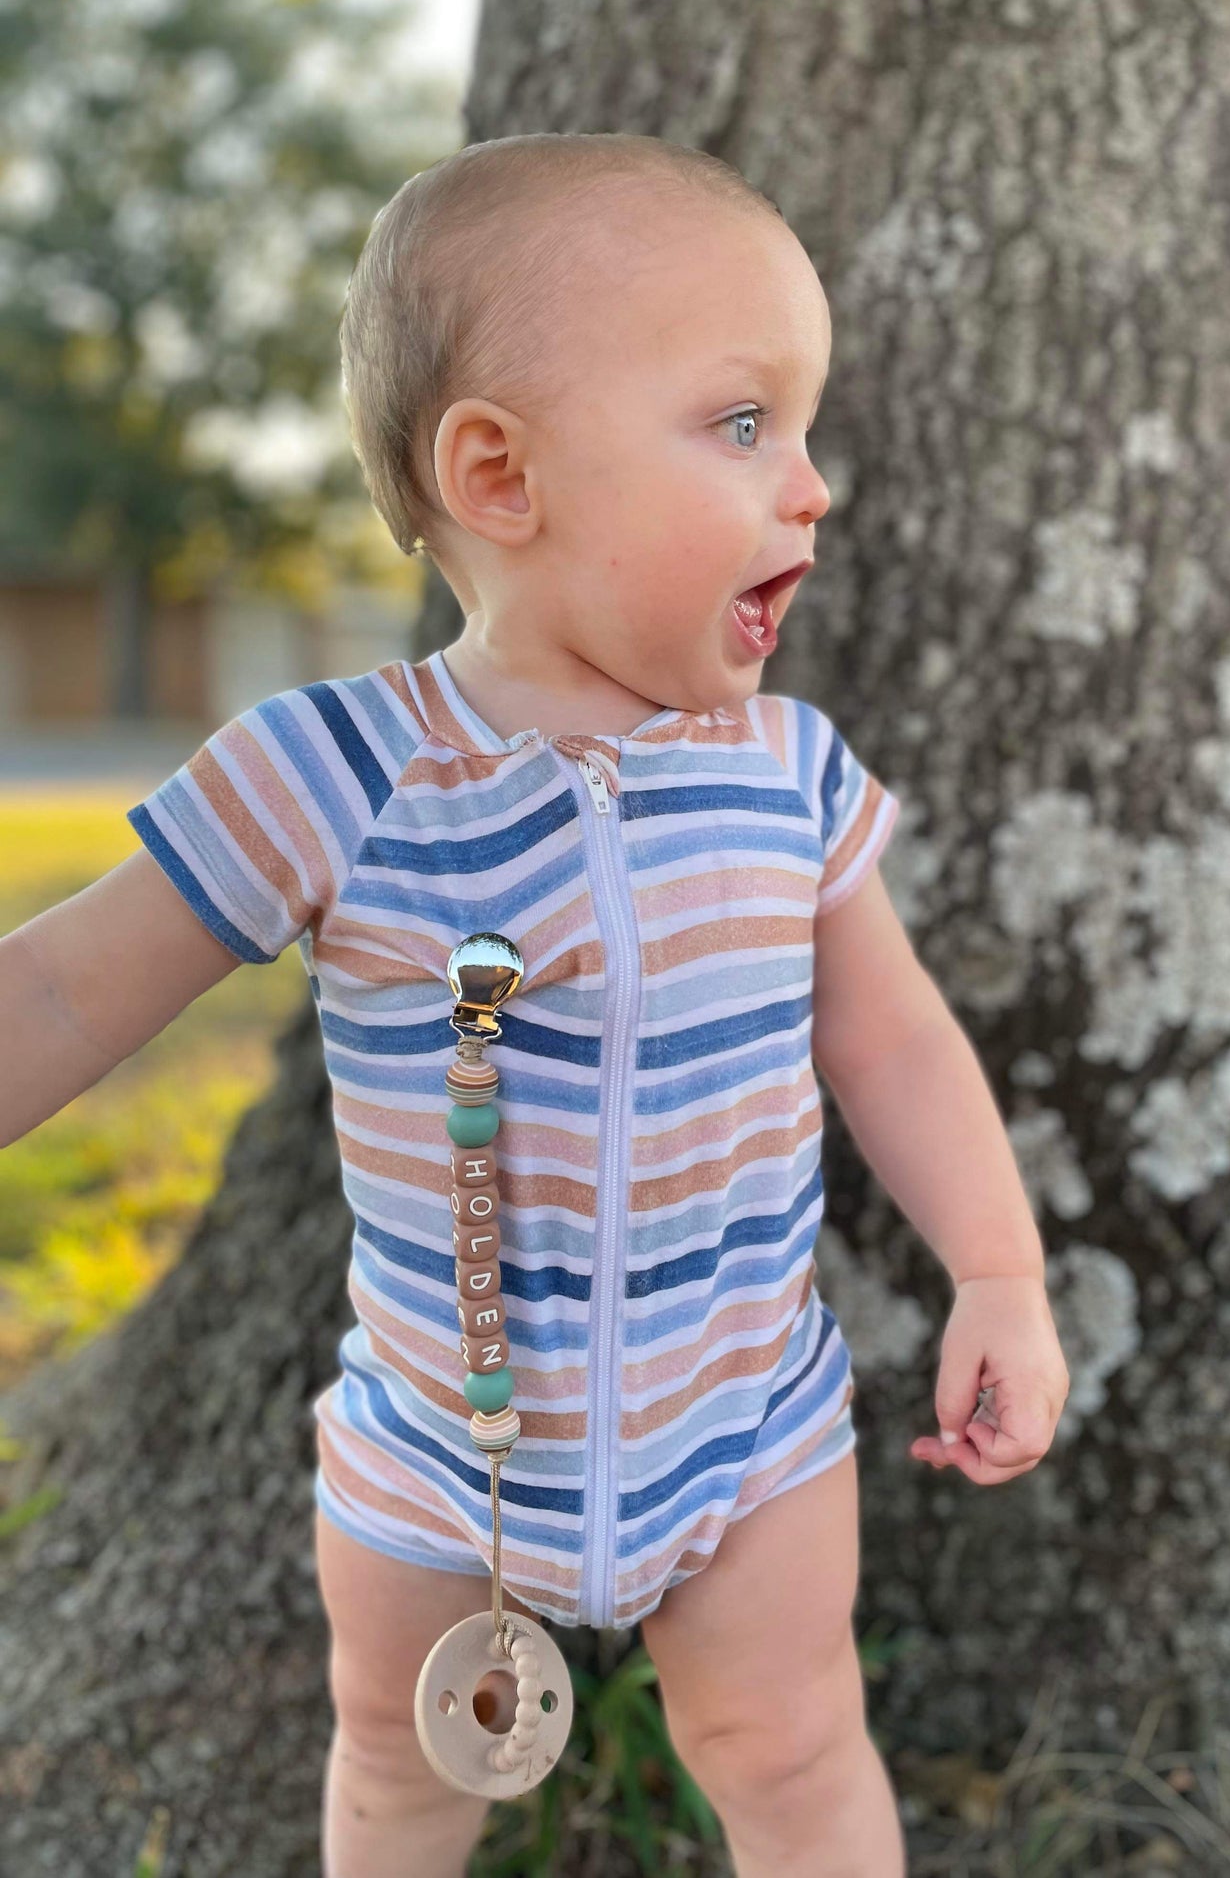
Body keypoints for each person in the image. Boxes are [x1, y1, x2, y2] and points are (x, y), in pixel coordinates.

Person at [0, 133, 1070, 1878]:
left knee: (793, 1753)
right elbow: (54, 985)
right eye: (743, 427)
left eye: (803, 432)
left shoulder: (784, 774)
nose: (810, 488)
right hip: (437, 1450)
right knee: (404, 1771)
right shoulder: (331, 773)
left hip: (748, 1430)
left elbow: (885, 1036)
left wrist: (999, 1272)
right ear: (498, 472)